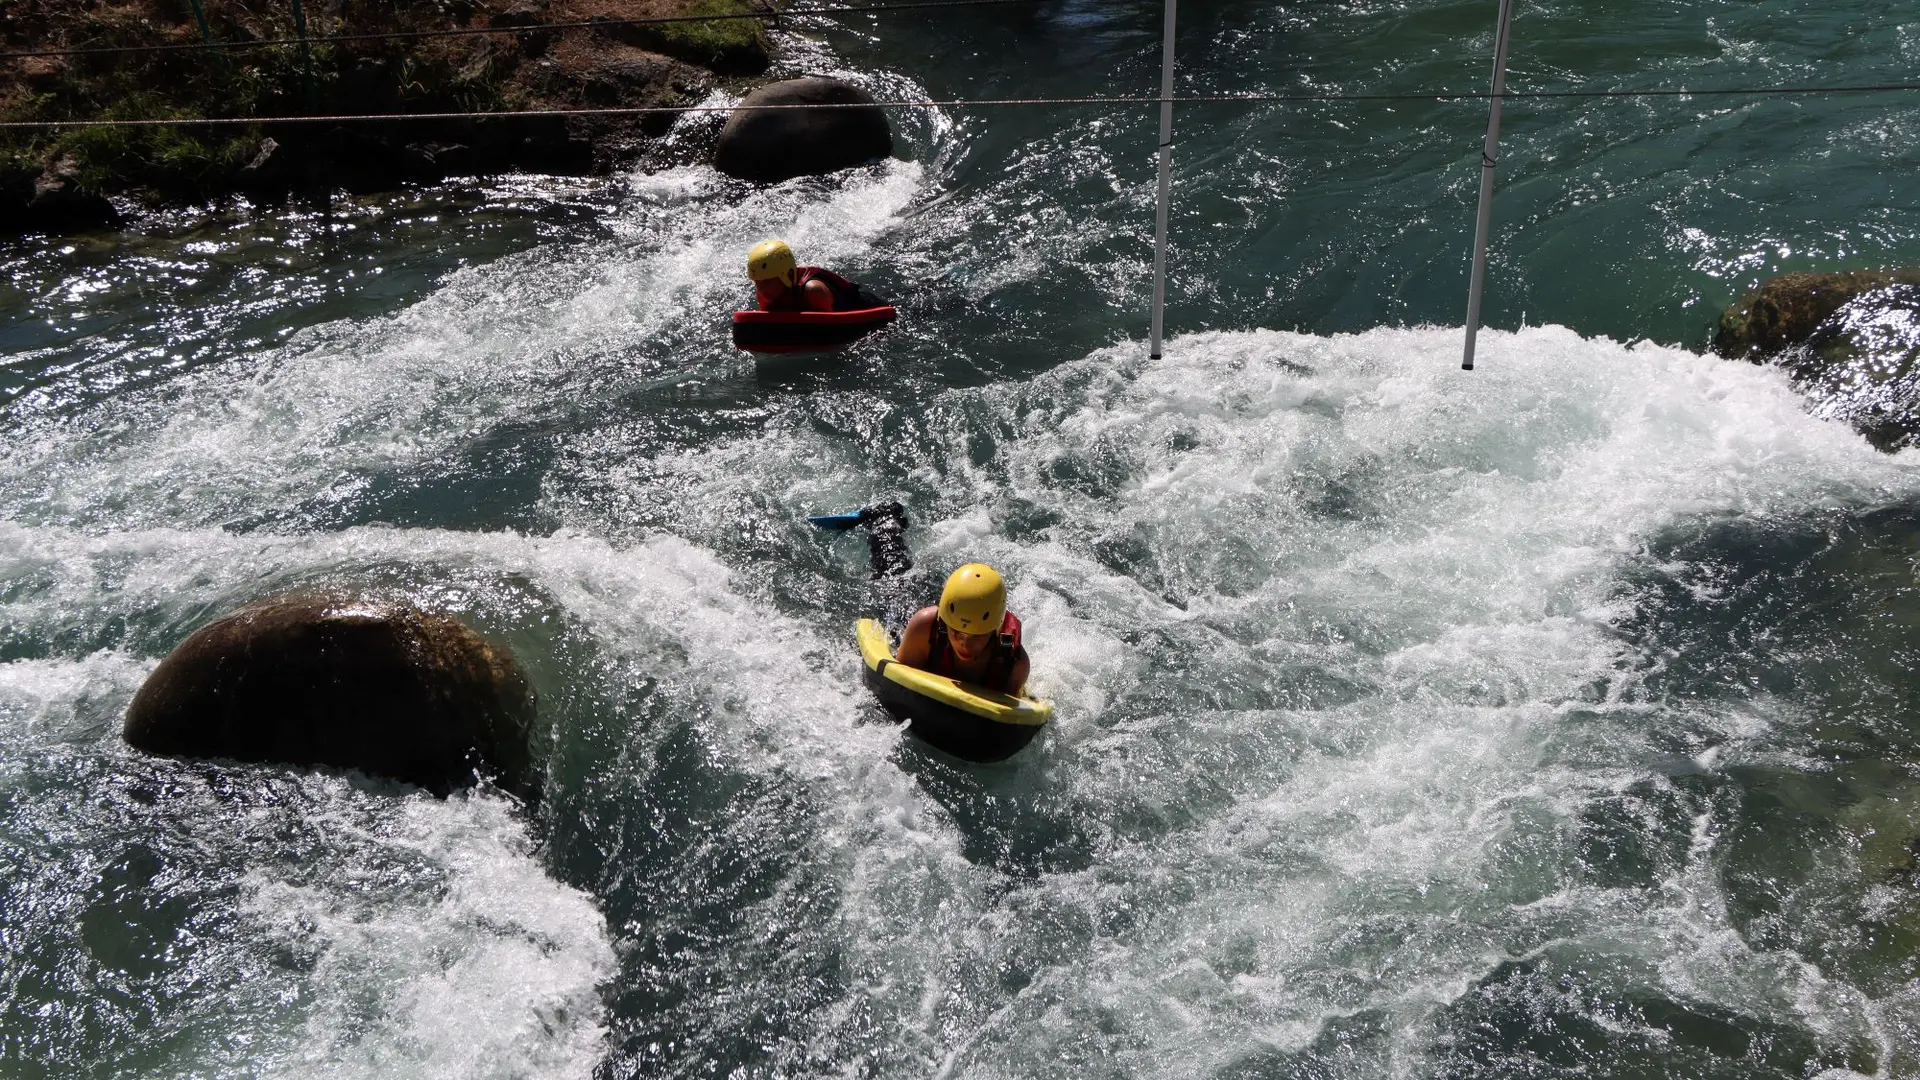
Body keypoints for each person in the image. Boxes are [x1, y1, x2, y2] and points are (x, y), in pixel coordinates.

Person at [855, 503, 1031, 696]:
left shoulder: (1013, 663)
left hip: (950, 617)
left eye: (977, 636)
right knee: (893, 574)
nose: (965, 644)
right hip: (908, 616)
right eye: (957, 632)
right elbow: (897, 686)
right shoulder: (923, 628)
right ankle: (884, 522)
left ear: (996, 630)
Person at [747, 239, 861, 312]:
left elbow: (832, 329)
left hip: (865, 306)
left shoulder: (814, 290)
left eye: (767, 281)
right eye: (757, 282)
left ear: (787, 276)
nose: (760, 288)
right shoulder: (764, 293)